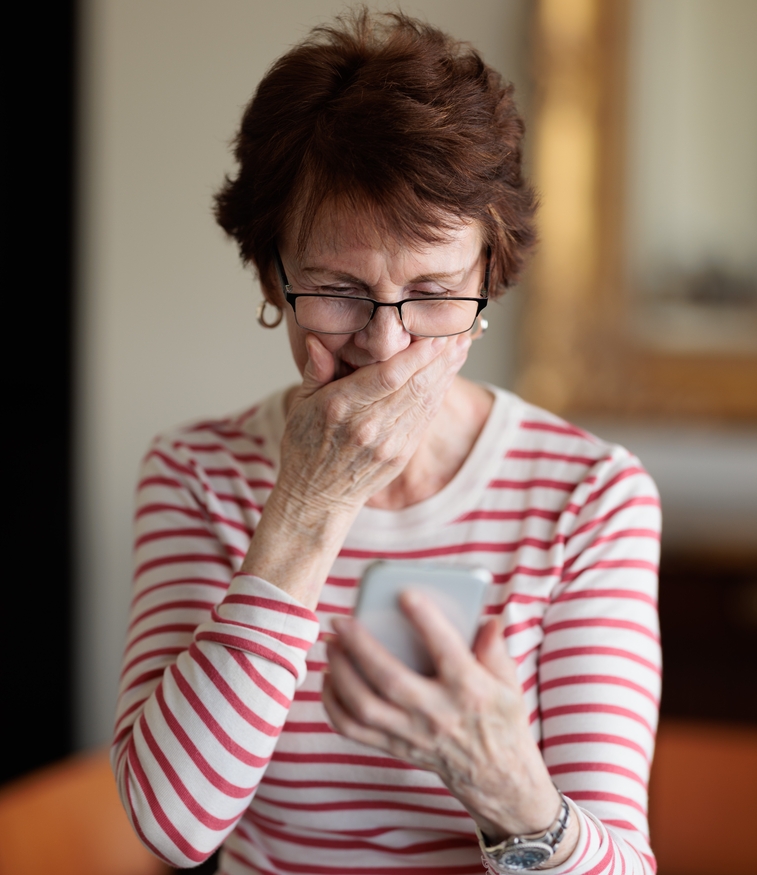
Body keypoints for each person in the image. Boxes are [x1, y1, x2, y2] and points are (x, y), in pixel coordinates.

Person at [112, 11, 661, 875]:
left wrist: (510, 789)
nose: (386, 345)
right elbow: (174, 829)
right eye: (337, 289)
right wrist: (308, 505)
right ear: (272, 277)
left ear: (490, 279)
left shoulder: (589, 495)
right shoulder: (198, 474)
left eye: (435, 293)